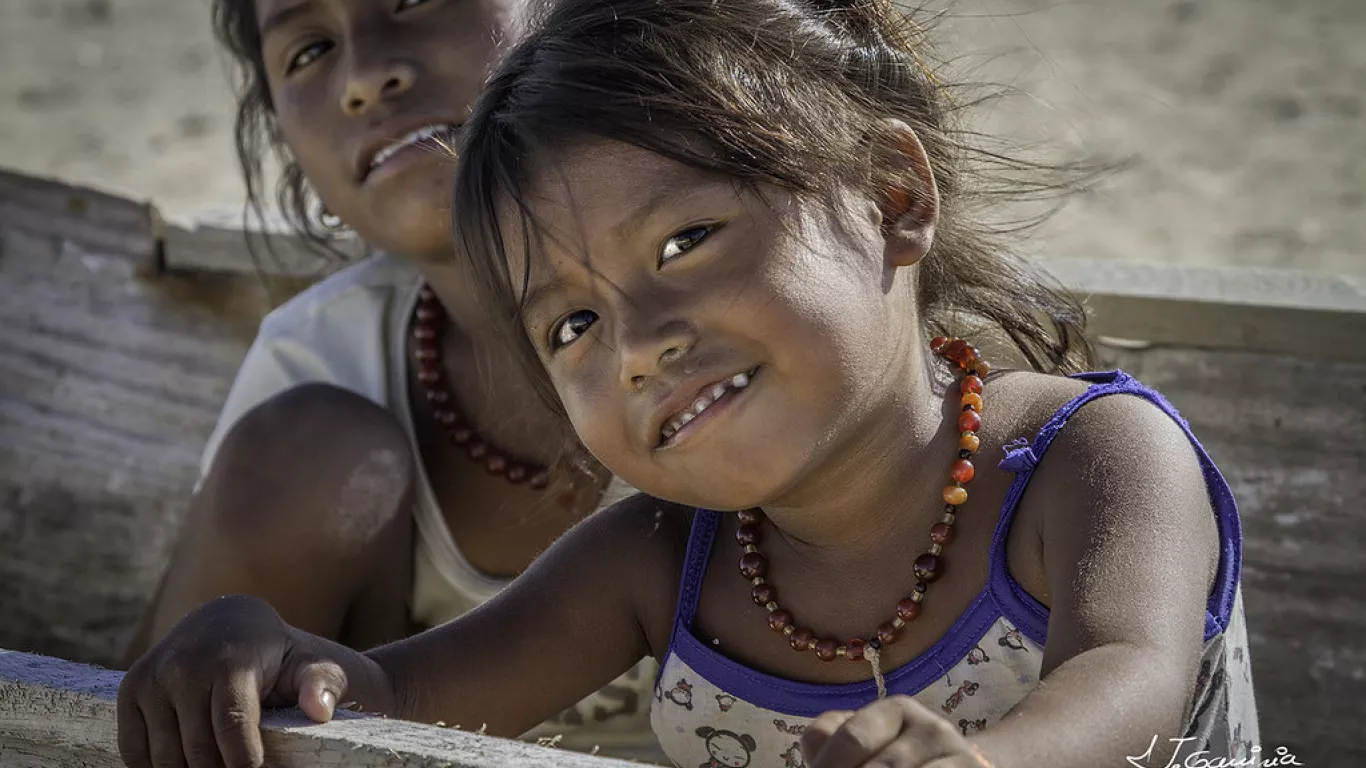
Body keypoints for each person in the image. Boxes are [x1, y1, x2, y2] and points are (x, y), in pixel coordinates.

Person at [118, 1, 1260, 767]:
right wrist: (269, 650)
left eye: (682, 245)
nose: (640, 343)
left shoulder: (1085, 458)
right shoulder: (658, 556)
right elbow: (395, 694)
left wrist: (982, 762)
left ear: (891, 198)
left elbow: (1130, 672)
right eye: (572, 323)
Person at [121, 0, 659, 759]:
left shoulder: (726, 316)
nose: (367, 77)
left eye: (411, 2)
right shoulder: (319, 362)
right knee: (308, 455)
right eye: (307, 52)